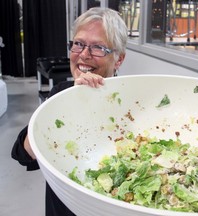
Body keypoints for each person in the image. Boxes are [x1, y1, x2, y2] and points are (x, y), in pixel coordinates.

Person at [11, 7, 128, 216]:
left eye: (98, 47)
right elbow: (23, 153)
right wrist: (69, 101)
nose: (84, 55)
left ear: (119, 59)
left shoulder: (133, 103)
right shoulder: (60, 92)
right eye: (78, 44)